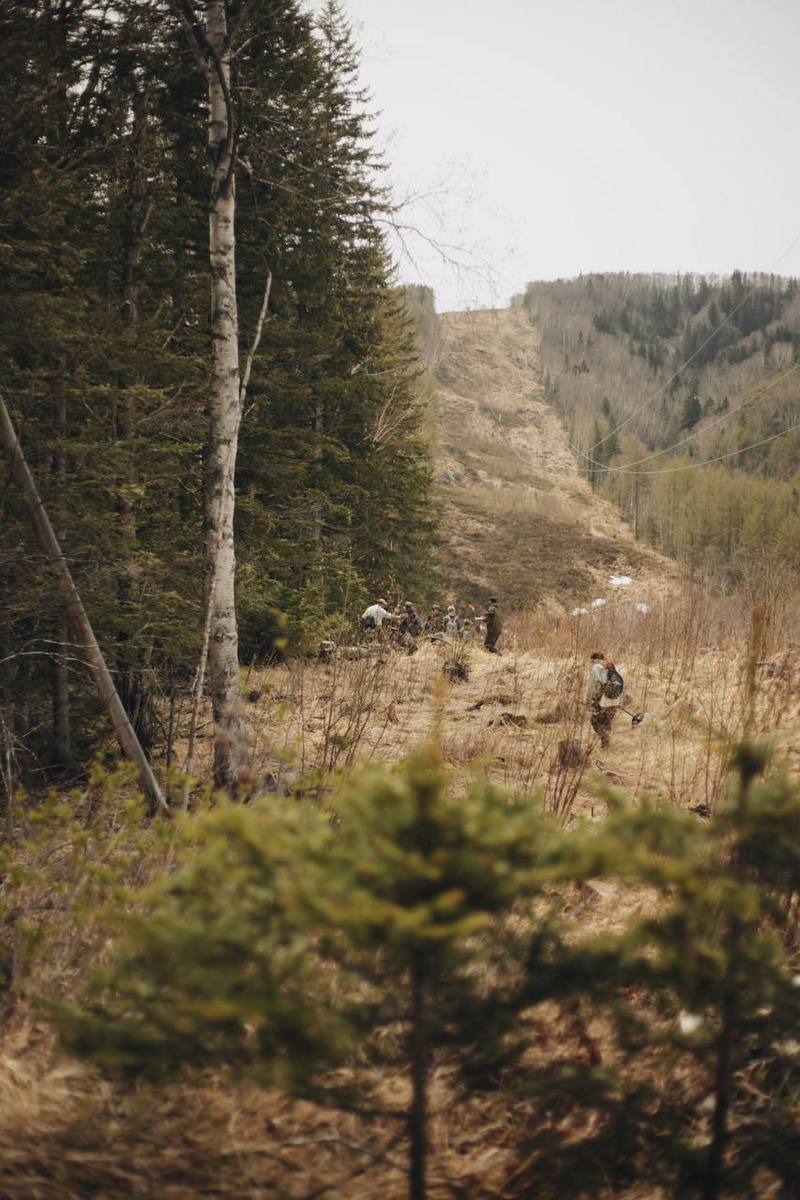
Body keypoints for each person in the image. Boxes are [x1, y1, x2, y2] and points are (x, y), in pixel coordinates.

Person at [584, 651, 621, 749]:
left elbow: (596, 687)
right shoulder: (612, 668)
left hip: (603, 702)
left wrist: (592, 701)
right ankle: (605, 746)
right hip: (614, 701)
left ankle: (605, 741)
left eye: (591, 661)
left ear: (594, 660)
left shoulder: (597, 667)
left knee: (595, 722)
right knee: (606, 723)